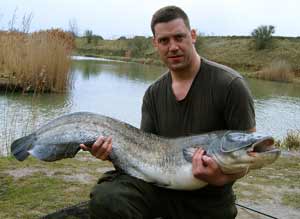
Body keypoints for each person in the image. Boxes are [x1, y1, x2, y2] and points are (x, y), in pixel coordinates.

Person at [80, 5, 256, 219]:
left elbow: (249, 155)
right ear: (155, 44)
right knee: (107, 197)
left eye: (179, 37)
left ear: (193, 36)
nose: (173, 47)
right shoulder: (153, 93)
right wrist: (111, 154)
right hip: (160, 190)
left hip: (211, 199)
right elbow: (144, 155)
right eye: (164, 40)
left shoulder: (230, 85)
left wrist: (218, 178)